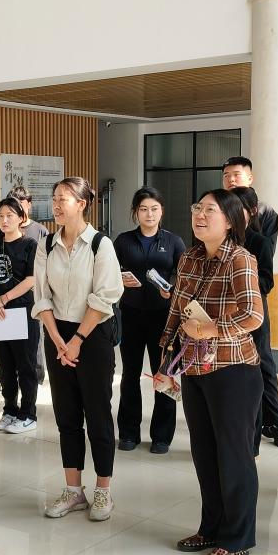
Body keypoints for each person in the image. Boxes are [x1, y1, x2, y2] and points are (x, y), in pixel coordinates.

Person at [156, 189, 264, 555]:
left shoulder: (240, 259)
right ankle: (212, 528)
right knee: (204, 454)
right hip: (194, 369)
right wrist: (165, 358)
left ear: (230, 221)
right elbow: (176, 309)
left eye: (210, 210)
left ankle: (237, 538)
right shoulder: (189, 257)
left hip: (233, 370)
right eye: (197, 208)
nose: (200, 215)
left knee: (234, 457)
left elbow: (253, 315)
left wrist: (212, 329)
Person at [33, 176, 124, 521]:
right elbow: (41, 295)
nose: (56, 205)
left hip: (93, 335)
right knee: (67, 415)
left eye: (64, 199)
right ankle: (74, 491)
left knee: (98, 414)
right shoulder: (46, 244)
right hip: (57, 334)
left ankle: (103, 491)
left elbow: (105, 296)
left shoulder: (101, 244)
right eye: (55, 198)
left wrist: (77, 340)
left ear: (82, 204)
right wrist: (58, 339)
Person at [114, 186, 186, 454]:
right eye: (143, 209)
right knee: (130, 374)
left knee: (164, 374)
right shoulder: (123, 241)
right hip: (131, 314)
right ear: (136, 212)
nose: (149, 214)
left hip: (164, 318)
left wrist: (172, 290)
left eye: (154, 209)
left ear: (161, 211)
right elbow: (108, 272)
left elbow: (184, 277)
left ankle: (162, 436)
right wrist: (119, 280)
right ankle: (128, 432)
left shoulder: (174, 241)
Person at [229, 186, 278, 452]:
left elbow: (267, 282)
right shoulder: (221, 239)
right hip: (225, 315)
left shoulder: (259, 242)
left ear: (252, 211)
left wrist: (242, 282)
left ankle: (274, 424)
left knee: (261, 367)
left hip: (253, 313)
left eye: (238, 209)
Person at [0, 197, 40, 433]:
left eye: (9, 215)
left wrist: (4, 299)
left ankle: (28, 415)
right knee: (5, 365)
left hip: (22, 311)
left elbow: (31, 279)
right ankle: (9, 410)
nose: (4, 220)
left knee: (25, 365)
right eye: (0, 216)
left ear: (21, 218)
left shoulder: (30, 244)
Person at [10, 185, 49, 386]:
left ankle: (37, 374)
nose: (18, 207)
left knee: (35, 334)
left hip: (35, 290)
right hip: (11, 292)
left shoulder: (40, 230)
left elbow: (48, 259)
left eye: (21, 204)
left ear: (29, 205)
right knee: (12, 335)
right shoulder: (6, 229)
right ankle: (14, 374)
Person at [222, 156, 278, 250]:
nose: (231, 179)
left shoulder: (264, 210)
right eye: (226, 175)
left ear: (250, 179)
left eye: (236, 174)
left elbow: (266, 250)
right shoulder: (217, 207)